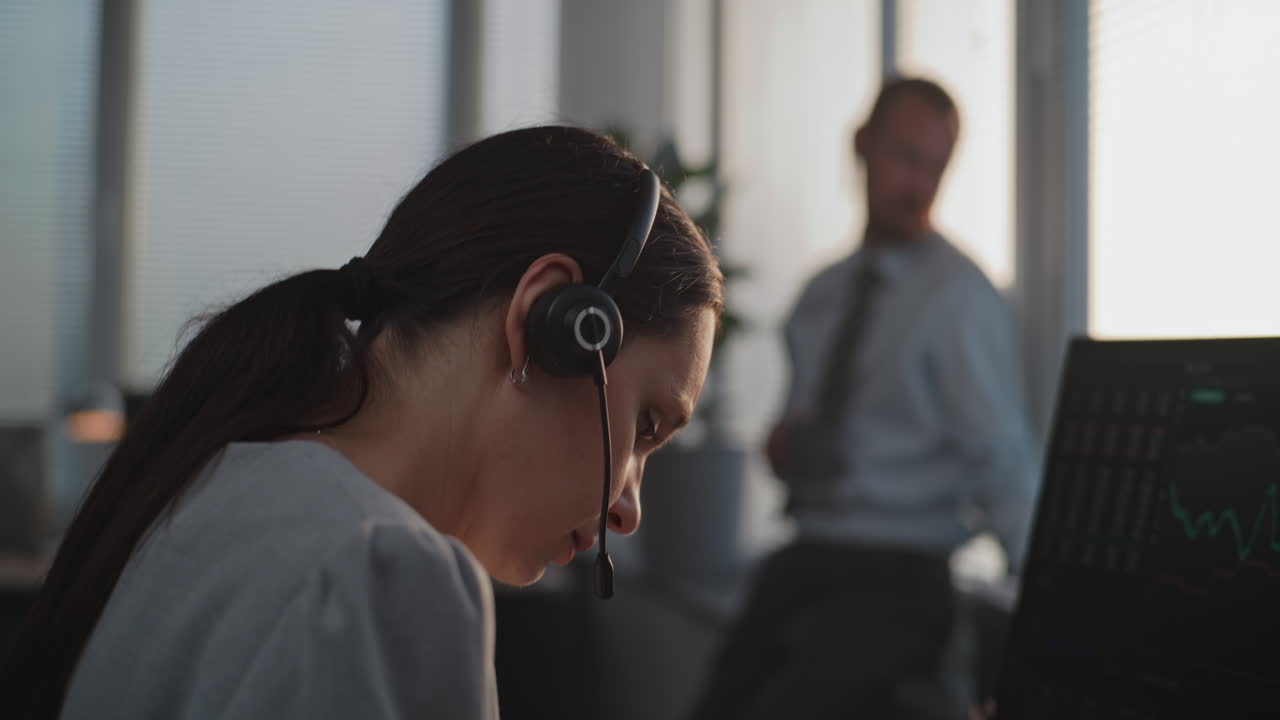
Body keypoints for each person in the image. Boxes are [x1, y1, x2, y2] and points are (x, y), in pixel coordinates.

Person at [0, 125, 724, 719]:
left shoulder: (208, 482)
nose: (628, 506)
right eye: (648, 426)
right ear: (554, 322)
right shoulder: (377, 576)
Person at [687, 78, 1038, 719]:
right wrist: (787, 445)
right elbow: (798, 426)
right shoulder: (822, 296)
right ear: (862, 146)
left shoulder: (959, 299)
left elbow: (1002, 458)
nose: (919, 184)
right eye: (906, 157)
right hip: (809, 553)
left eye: (936, 166)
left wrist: (1050, 603)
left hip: (902, 572)